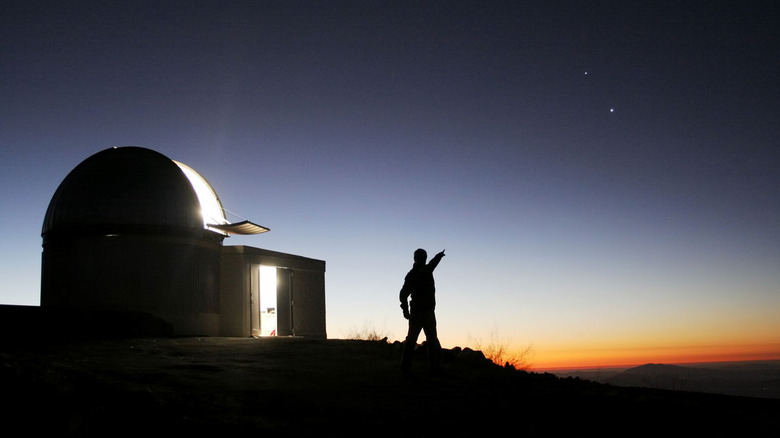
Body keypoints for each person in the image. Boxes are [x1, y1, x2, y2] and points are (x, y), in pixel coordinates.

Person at [399, 248, 445, 376]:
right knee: (412, 340)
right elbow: (403, 294)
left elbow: (433, 263)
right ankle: (405, 367)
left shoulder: (427, 270)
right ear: (416, 259)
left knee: (431, 340)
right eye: (420, 257)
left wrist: (439, 256)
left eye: (423, 257)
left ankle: (435, 368)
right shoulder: (412, 275)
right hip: (417, 313)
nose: (422, 259)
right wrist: (405, 309)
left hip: (429, 312)